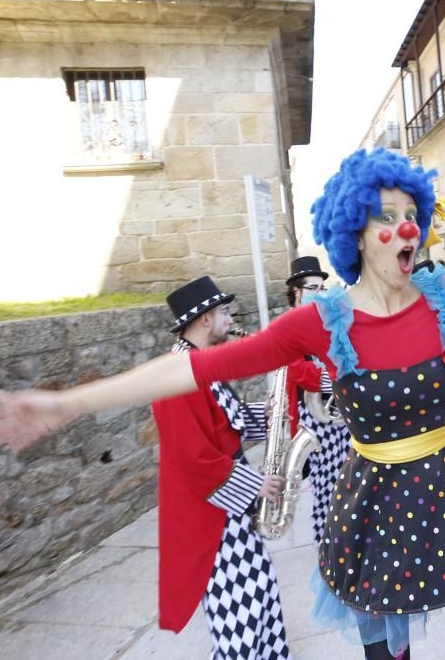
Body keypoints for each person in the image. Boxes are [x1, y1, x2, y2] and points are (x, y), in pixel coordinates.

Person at [0, 149, 445, 660]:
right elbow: (191, 368)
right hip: (379, 502)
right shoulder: (319, 322)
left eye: (411, 217)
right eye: (386, 219)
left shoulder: (442, 294)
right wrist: (68, 402)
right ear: (355, 235)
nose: (405, 231)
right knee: (386, 646)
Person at [160, 277, 295, 657]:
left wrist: (268, 414)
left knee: (260, 590)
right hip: (211, 517)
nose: (230, 320)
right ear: (204, 319)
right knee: (238, 610)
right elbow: (192, 458)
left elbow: (223, 424)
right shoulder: (175, 374)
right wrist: (255, 485)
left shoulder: (198, 365)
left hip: (228, 511)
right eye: (223, 313)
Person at [283, 255, 353, 540]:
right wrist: (332, 376)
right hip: (312, 417)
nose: (320, 293)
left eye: (322, 287)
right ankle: (328, 540)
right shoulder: (288, 325)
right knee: (325, 486)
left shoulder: (328, 321)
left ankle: (346, 535)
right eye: (313, 287)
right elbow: (297, 369)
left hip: (338, 415)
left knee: (348, 480)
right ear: (296, 292)